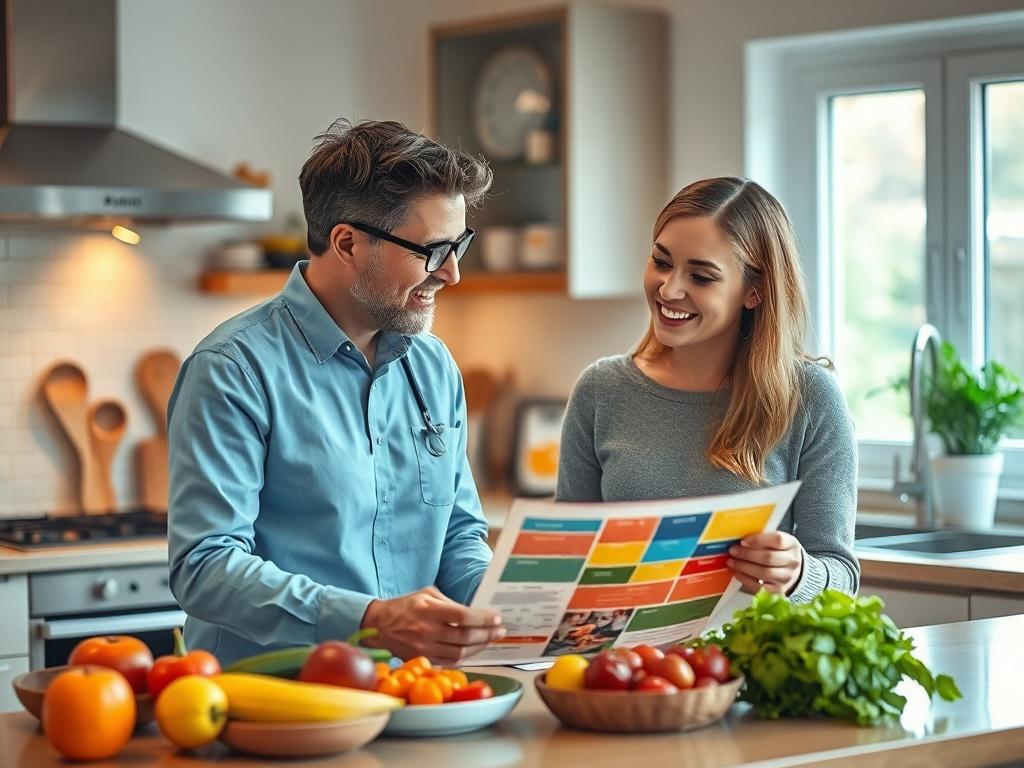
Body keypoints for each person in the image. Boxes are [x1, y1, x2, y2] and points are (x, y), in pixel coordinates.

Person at [167, 119, 505, 666]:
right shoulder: (231, 369)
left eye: (459, 245)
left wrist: (505, 606)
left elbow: (459, 533)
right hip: (273, 704)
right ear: (347, 243)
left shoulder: (434, 365)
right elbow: (205, 567)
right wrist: (371, 622)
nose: (453, 275)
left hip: (409, 692)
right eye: (434, 250)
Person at [556, 177, 859, 602]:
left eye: (700, 276)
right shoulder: (600, 390)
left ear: (754, 292)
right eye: (661, 262)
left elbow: (841, 574)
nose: (669, 289)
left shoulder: (811, 399)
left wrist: (798, 573)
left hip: (750, 660)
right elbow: (568, 560)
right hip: (629, 665)